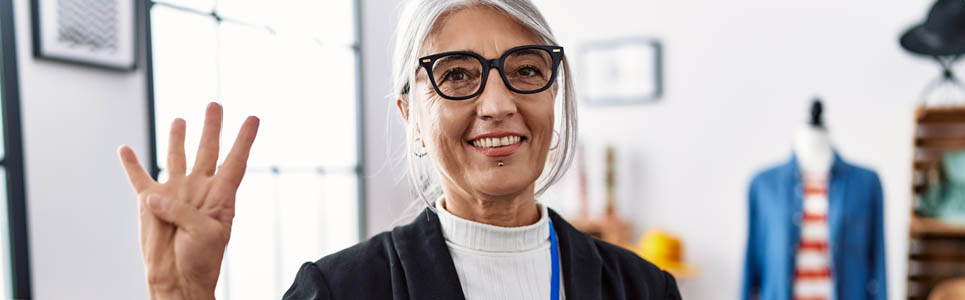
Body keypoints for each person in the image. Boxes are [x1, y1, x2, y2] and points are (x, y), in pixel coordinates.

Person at [117, 0, 681, 299]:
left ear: (553, 95)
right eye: (458, 75)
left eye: (525, 70)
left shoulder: (641, 288)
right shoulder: (341, 290)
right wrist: (181, 298)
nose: (497, 103)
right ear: (410, 113)